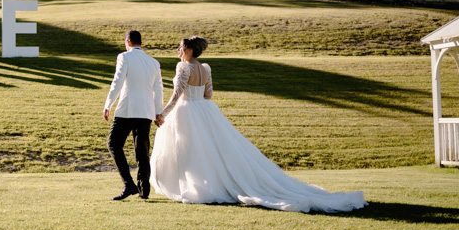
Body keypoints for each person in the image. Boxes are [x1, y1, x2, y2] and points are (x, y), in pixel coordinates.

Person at [150, 36, 366, 213]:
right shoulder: (206, 68)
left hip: (186, 111)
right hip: (205, 111)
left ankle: (196, 187)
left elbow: (176, 95)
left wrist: (162, 115)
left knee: (190, 151)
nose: (177, 50)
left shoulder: (183, 67)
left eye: (180, 47)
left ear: (188, 49)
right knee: (211, 151)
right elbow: (208, 94)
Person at [103, 30, 164, 200]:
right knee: (142, 151)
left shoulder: (124, 57)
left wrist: (108, 104)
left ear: (128, 42)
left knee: (113, 144)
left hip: (127, 108)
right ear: (141, 44)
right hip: (146, 111)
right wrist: (157, 111)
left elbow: (118, 81)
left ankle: (129, 185)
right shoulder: (153, 62)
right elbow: (158, 89)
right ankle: (144, 190)